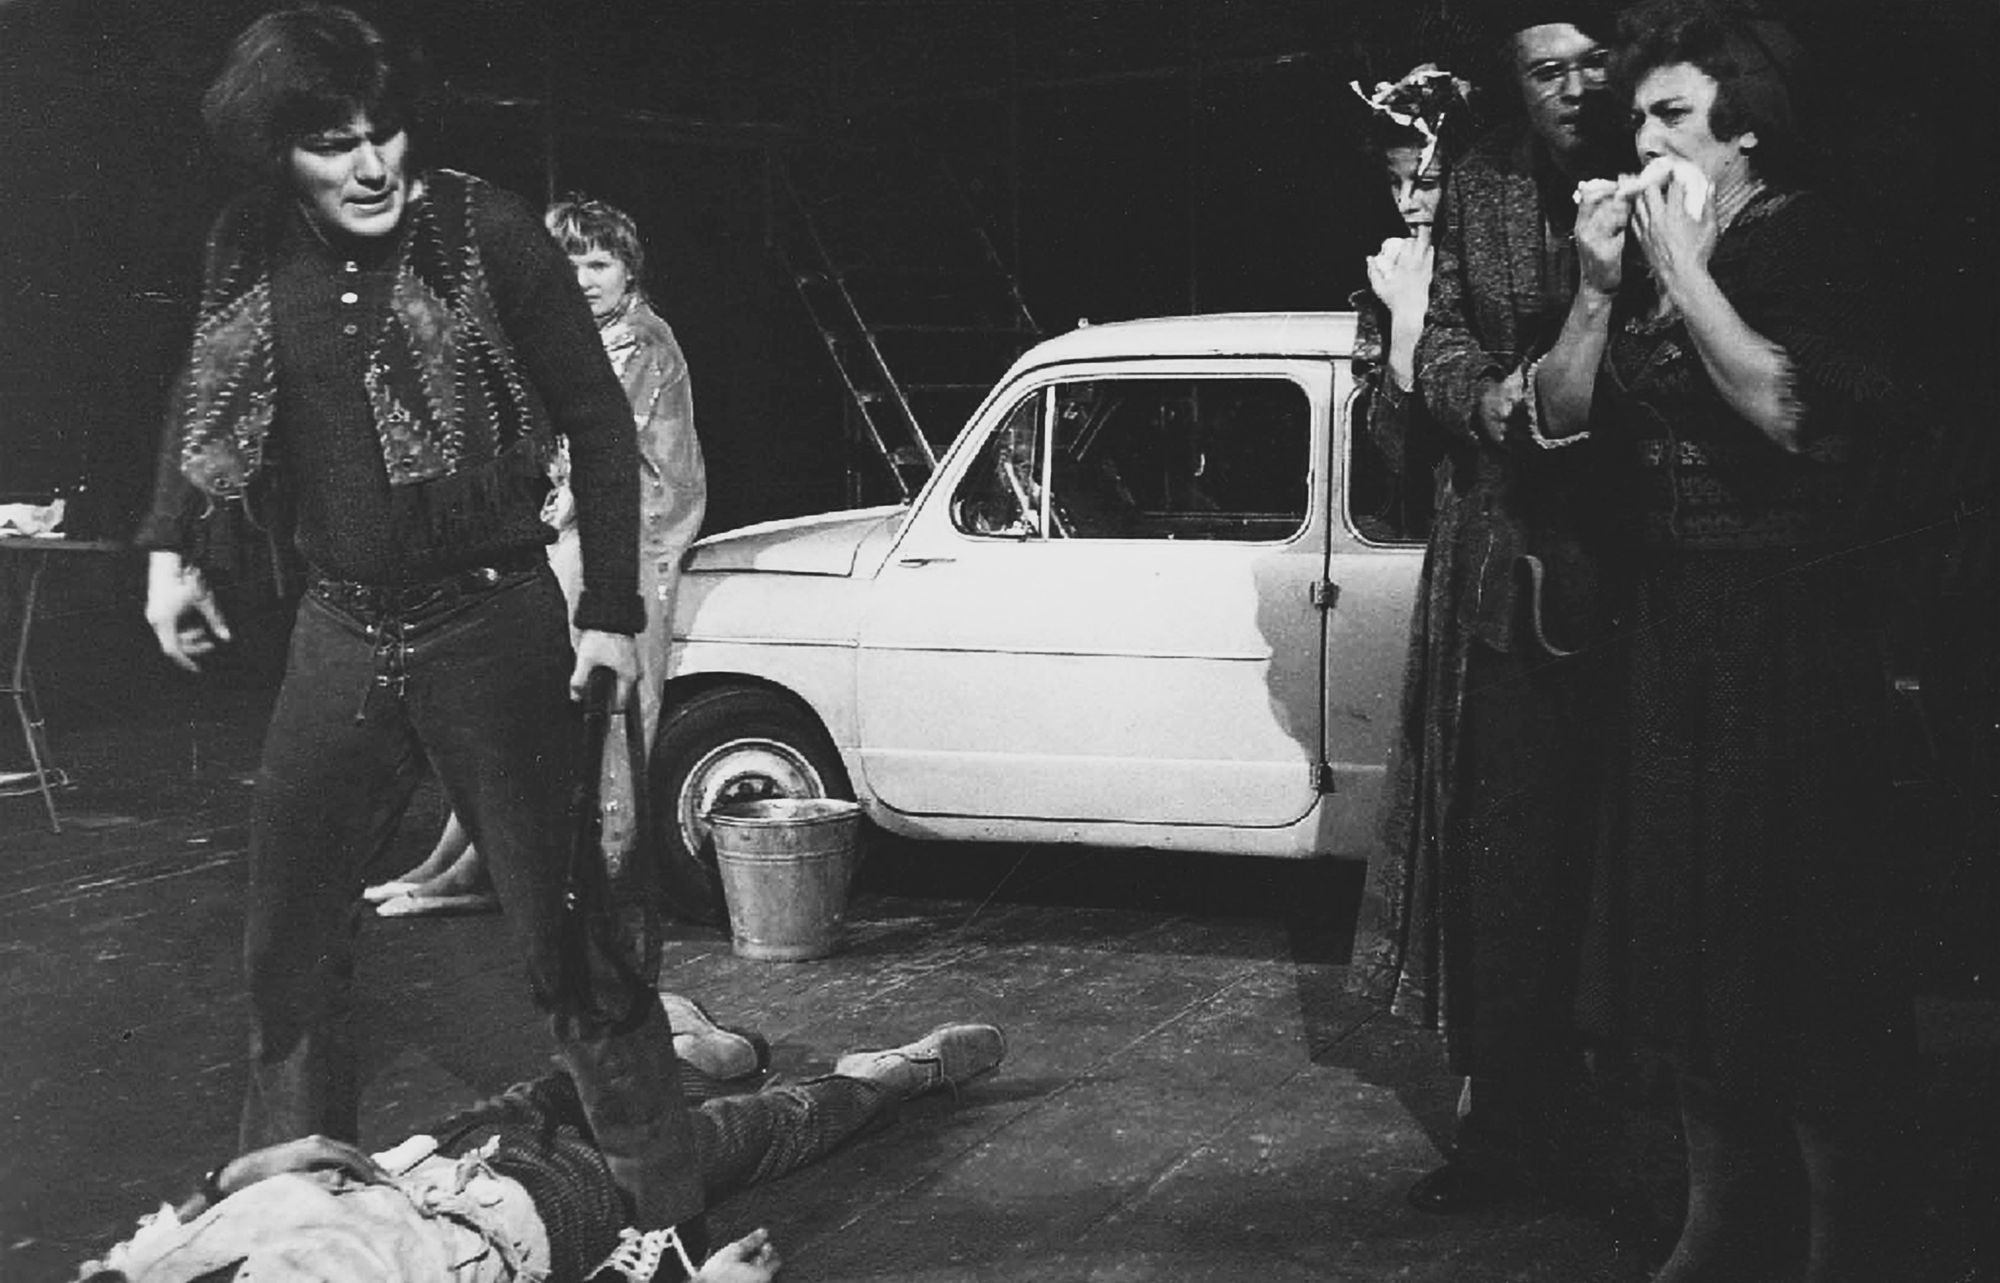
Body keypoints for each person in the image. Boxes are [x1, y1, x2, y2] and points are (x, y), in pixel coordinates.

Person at [137, 4, 708, 1257]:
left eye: (382, 132)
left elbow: (599, 422)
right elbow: (205, 391)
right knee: (289, 943)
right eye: (331, 142)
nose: (369, 165)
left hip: (490, 620)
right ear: (276, 150)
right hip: (339, 629)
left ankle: (663, 1223)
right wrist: (172, 548)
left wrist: (609, 613)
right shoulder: (250, 240)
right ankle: (300, 1232)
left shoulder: (483, 228)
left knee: (571, 940)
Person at [1535, 4, 1913, 1278]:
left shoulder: (1807, 238)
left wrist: (1685, 270)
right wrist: (1602, 287)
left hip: (1786, 635)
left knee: (1796, 947)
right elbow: (1565, 421)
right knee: (1685, 941)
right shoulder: (1651, 256)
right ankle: (1718, 1221)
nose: (1642, 140)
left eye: (1672, 115)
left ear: (1744, 128)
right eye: (1636, 117)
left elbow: (1792, 415)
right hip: (1674, 632)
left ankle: (1846, 1241)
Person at [1345, 0, 1629, 1215]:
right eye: (1542, 70)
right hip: (1504, 577)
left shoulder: (1666, 165)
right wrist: (1485, 393)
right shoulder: (1485, 184)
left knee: (1635, 866)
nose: (1571, 88)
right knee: (1505, 862)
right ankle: (1509, 1127)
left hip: (1649, 568)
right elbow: (1437, 372)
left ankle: (1652, 1130)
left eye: (1588, 63)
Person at [365, 196, 708, 923]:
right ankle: (457, 859)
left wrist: (528, 520)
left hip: (626, 538)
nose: (584, 279)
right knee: (515, 701)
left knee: (574, 708)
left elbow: (598, 460)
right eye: (569, 264)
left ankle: (536, 870)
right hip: (575, 531)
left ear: (629, 271)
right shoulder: (576, 337)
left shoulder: (638, 340)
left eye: (600, 263)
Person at [75, 1020, 1007, 1283]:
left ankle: (681, 1046)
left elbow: (140, 1250)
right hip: (545, 1211)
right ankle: (890, 1078)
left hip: (423, 1160)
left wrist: (231, 1175)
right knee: (746, 1134)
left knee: (577, 1077)